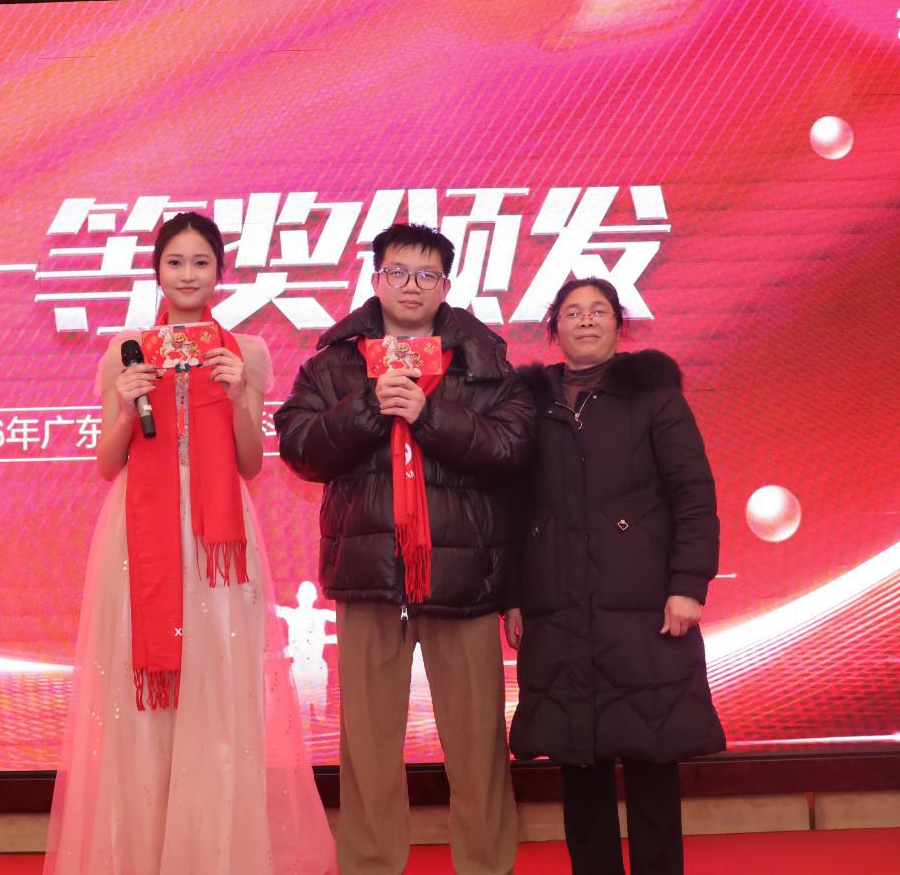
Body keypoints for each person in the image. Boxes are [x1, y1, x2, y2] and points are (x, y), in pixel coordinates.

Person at [45, 212, 335, 875]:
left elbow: (250, 463)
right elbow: (107, 463)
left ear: (218, 273)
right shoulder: (126, 349)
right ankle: (143, 851)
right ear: (156, 270)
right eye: (175, 262)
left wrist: (238, 395)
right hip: (138, 532)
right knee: (143, 692)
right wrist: (126, 407)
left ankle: (212, 853)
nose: (187, 274)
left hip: (217, 541)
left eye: (200, 262)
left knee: (218, 686)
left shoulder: (245, 351)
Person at [274, 223, 534, 875]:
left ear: (445, 285)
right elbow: (299, 448)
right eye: (397, 272)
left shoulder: (482, 358)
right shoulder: (334, 363)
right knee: (366, 743)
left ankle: (485, 865)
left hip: (463, 575)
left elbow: (511, 449)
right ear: (375, 279)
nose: (410, 286)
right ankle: (369, 864)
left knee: (476, 742)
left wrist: (428, 414)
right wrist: (367, 407)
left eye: (426, 275)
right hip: (369, 576)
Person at [507, 277, 725, 875]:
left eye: (598, 311)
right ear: (554, 328)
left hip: (646, 609)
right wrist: (514, 596)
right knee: (580, 765)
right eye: (572, 312)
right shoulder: (528, 405)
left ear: (618, 324)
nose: (585, 320)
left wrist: (688, 584)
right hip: (558, 610)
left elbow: (693, 495)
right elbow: (514, 508)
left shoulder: (654, 397)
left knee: (653, 756)